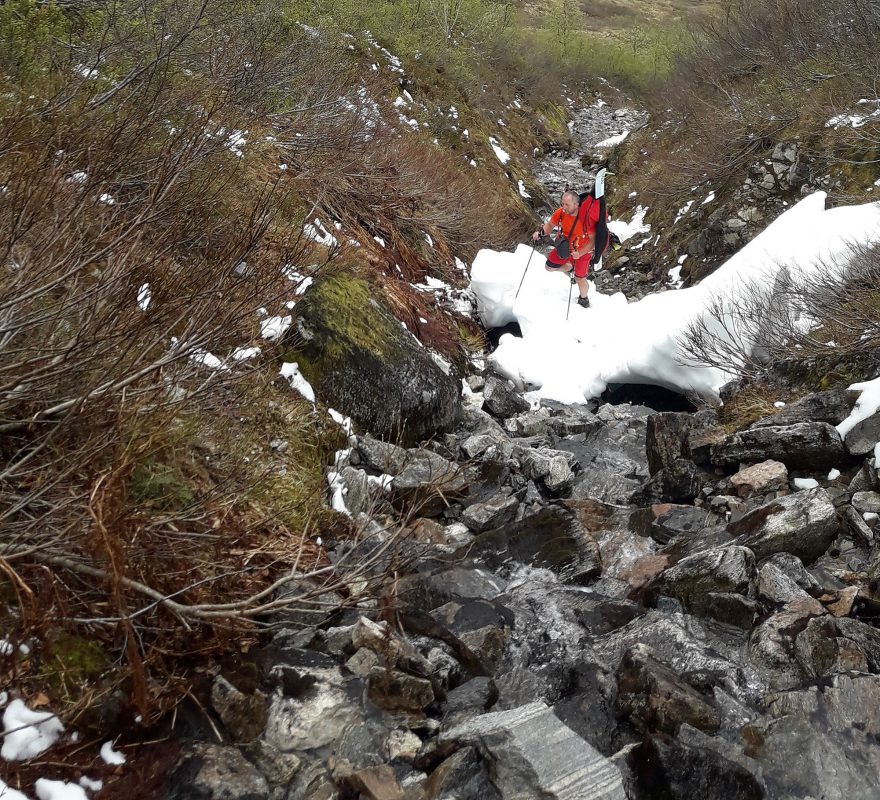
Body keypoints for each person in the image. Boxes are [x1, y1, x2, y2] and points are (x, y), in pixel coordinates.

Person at [532, 189, 601, 308]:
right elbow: (549, 226)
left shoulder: (586, 218)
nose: (563, 207)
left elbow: (593, 240)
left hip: (583, 251)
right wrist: (540, 233)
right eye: (562, 204)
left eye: (567, 205)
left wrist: (580, 253)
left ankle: (583, 299)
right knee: (549, 267)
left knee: (580, 278)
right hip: (564, 246)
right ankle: (569, 267)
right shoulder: (561, 212)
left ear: (576, 205)